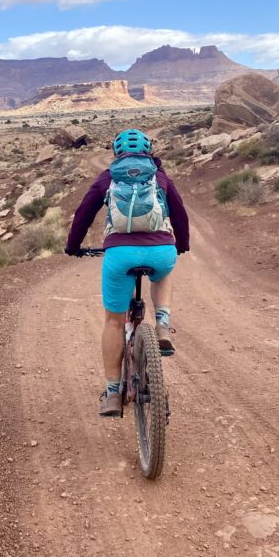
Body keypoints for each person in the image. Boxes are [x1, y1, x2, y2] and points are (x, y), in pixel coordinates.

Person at [64, 128, 190, 417]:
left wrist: (73, 246)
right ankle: (162, 324)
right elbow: (180, 214)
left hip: (119, 254)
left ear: (116, 153)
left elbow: (83, 213)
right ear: (148, 151)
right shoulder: (159, 176)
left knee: (113, 321)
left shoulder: (108, 177)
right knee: (164, 269)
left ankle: (111, 393)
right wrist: (180, 245)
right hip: (161, 250)